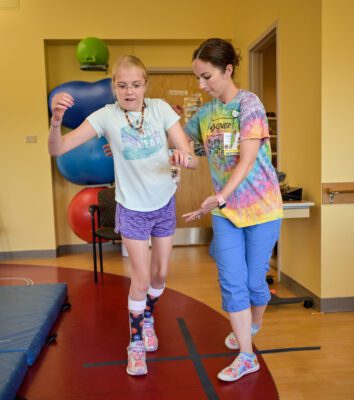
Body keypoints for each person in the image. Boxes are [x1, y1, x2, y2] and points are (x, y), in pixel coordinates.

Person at [48, 55, 198, 377]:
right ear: (113, 87)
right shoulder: (106, 116)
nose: (129, 91)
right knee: (141, 280)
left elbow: (193, 158)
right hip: (132, 208)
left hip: (163, 204)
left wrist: (184, 157)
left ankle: (147, 319)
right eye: (122, 85)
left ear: (145, 85)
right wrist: (56, 121)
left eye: (136, 84)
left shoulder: (160, 110)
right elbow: (58, 149)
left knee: (159, 277)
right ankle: (135, 345)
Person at [182, 38, 283, 382]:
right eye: (198, 77)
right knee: (232, 281)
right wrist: (129, 145)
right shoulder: (206, 115)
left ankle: (252, 321)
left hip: (261, 209)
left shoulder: (249, 105)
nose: (201, 85)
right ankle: (246, 354)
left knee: (255, 282)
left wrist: (221, 194)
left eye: (206, 76)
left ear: (227, 70)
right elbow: (180, 142)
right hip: (226, 213)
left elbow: (248, 158)